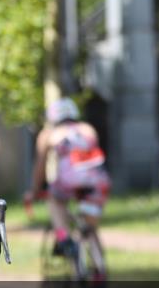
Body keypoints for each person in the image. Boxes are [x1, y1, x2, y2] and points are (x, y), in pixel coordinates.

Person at [25, 97, 110, 257]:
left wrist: (35, 190)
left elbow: (40, 167)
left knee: (54, 199)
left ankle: (63, 238)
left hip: (68, 182)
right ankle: (98, 265)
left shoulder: (48, 134)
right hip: (97, 181)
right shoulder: (88, 129)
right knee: (90, 227)